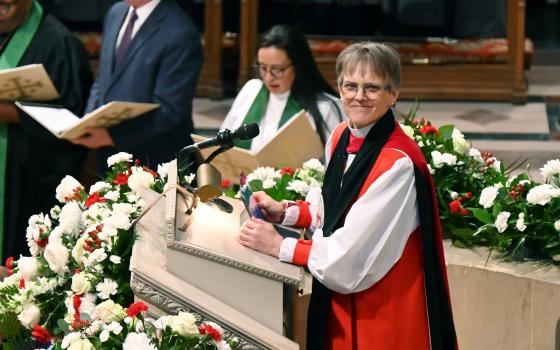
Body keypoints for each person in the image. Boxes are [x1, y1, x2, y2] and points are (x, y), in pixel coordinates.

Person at [237, 42, 457, 349]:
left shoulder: (397, 164)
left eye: (372, 88)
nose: (359, 96)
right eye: (350, 86)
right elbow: (336, 205)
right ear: (339, 89)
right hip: (341, 303)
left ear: (393, 94)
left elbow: (348, 258)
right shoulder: (342, 135)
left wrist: (280, 245)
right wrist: (287, 211)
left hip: (381, 312)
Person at [0, 0, 92, 260]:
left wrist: (12, 113)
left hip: (25, 174)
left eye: (6, 6)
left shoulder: (59, 43)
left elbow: (73, 120)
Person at [71, 0, 203, 171]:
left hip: (154, 162)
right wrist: (89, 118)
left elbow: (170, 110)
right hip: (108, 155)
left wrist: (112, 137)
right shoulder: (116, 12)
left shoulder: (180, 32)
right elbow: (103, 78)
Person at [221, 24, 343, 151]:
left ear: (298, 66)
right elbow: (224, 141)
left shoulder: (325, 107)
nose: (268, 77)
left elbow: (335, 163)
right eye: (262, 67)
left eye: (278, 69)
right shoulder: (252, 90)